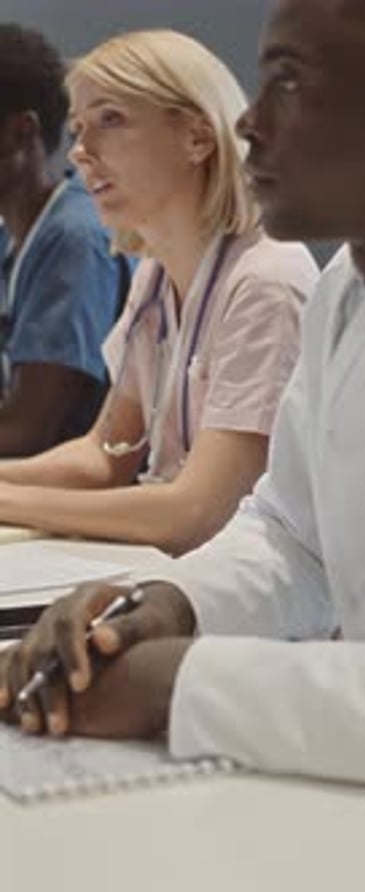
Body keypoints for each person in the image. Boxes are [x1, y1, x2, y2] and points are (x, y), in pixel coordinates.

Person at [5, 0, 365, 797]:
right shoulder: (349, 287)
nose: (249, 124)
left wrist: (181, 684)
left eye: (290, 84)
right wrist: (169, 604)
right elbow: (292, 535)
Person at [0, 29, 317, 551]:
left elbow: (195, 512)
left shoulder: (267, 283)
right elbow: (102, 456)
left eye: (110, 120)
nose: (81, 151)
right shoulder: (154, 275)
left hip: (250, 600)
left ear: (197, 136)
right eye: (79, 128)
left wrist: (6, 501)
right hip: (176, 570)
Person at [0, 24, 131, 456]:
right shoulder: (14, 239)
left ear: (20, 133)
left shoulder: (76, 239)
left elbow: (26, 432)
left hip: (74, 502)